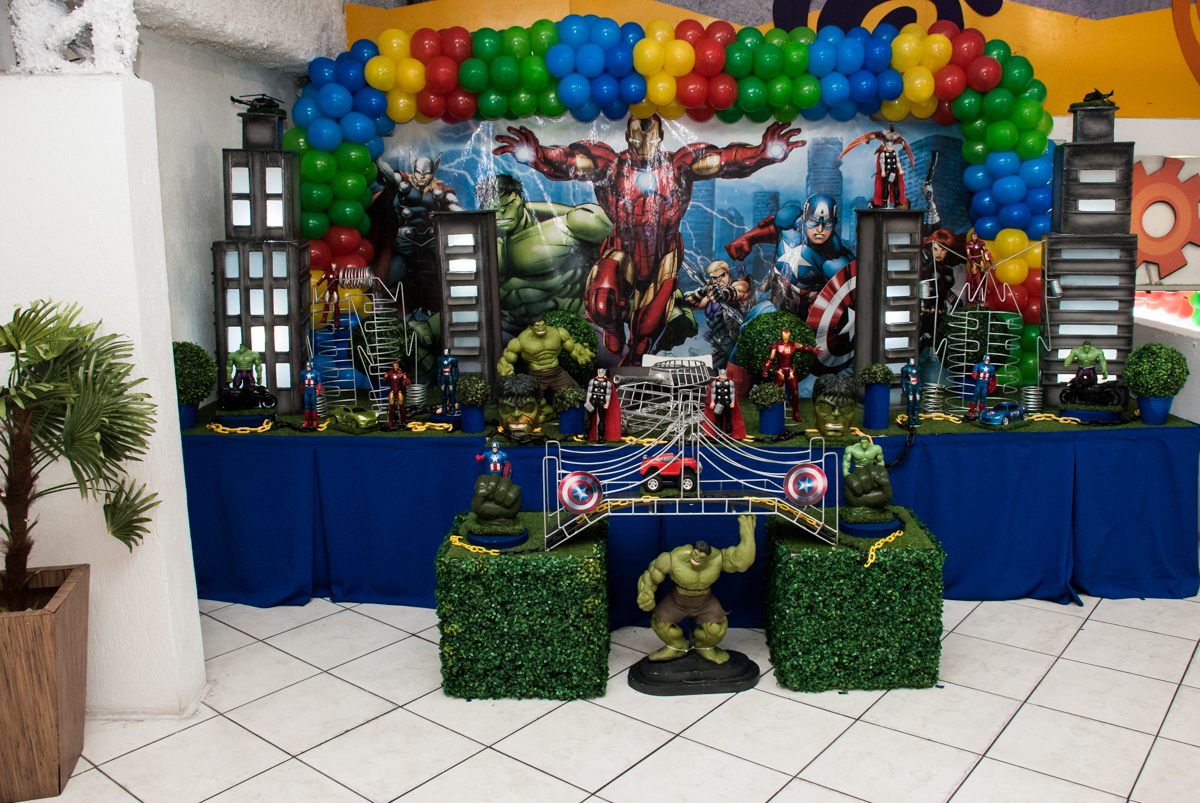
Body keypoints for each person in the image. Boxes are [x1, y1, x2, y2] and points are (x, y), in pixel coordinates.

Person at [494, 116, 805, 365]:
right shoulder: (610, 166)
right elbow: (573, 161)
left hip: (663, 255)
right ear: (627, 136)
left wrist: (760, 154)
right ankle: (614, 327)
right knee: (601, 300)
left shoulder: (679, 166)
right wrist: (540, 156)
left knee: (647, 329)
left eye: (650, 136)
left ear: (660, 138)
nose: (643, 142)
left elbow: (721, 161)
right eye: (636, 136)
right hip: (622, 250)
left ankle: (636, 355)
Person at [635, 514, 756, 664]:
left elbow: (742, 563)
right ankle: (676, 647)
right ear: (692, 550)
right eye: (695, 555)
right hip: (677, 599)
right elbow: (651, 576)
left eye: (702, 557)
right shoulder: (673, 558)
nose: (697, 559)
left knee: (716, 629)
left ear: (708, 556)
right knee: (659, 621)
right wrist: (645, 592)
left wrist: (747, 534)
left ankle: (705, 648)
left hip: (705, 601)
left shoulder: (717, 559)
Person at [497, 319, 595, 419]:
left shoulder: (557, 333)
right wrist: (506, 370)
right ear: (531, 327)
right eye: (537, 326)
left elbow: (573, 348)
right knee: (526, 402)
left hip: (557, 373)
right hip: (536, 376)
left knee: (576, 394)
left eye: (542, 325)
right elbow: (506, 359)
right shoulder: (521, 340)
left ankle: (586, 416)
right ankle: (549, 412)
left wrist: (580, 354)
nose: (540, 328)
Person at [682, 260, 753, 370]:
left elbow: (739, 291)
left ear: (728, 274)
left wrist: (722, 294)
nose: (718, 280)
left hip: (739, 347)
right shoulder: (710, 295)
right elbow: (687, 304)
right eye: (714, 278)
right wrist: (700, 292)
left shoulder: (738, 285)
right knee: (704, 372)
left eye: (722, 275)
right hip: (723, 348)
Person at [762, 328, 821, 423]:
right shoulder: (776, 346)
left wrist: (812, 350)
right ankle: (775, 412)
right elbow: (770, 360)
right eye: (784, 336)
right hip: (780, 370)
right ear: (781, 336)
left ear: (789, 336)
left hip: (790, 370)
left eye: (787, 336)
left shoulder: (793, 344)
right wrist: (765, 370)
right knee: (776, 393)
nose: (786, 338)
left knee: (795, 392)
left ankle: (795, 413)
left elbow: (804, 348)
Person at [584, 367, 619, 443]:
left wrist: (607, 403)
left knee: (602, 419)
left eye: (601, 372)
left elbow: (608, 394)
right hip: (593, 401)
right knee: (589, 418)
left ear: (604, 373)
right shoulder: (592, 381)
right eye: (599, 372)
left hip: (602, 402)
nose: (600, 373)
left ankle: (600, 437)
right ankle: (586, 435)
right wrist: (587, 400)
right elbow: (589, 391)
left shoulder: (608, 383)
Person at [708, 367, 739, 436]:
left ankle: (729, 435)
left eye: (723, 374)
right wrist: (712, 401)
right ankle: (719, 435)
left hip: (727, 402)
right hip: (719, 403)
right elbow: (713, 393)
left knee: (728, 418)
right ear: (719, 374)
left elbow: (732, 393)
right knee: (718, 419)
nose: (722, 375)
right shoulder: (715, 382)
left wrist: (733, 401)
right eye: (721, 374)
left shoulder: (730, 382)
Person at [968, 354, 997, 420]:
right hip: (979, 383)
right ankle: (971, 412)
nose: (987, 361)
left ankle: (981, 413)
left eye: (988, 360)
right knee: (975, 397)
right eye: (986, 360)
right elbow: (974, 372)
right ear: (984, 359)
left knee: (983, 399)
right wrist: (974, 374)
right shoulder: (978, 365)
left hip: (985, 384)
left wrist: (991, 384)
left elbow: (991, 378)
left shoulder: (991, 367)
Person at [384, 361, 411, 429]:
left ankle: (403, 421)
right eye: (394, 366)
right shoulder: (389, 373)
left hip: (399, 390)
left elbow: (406, 380)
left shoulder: (402, 373)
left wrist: (406, 381)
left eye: (396, 365)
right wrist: (385, 377)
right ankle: (391, 422)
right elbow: (384, 380)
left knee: (401, 406)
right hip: (392, 390)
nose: (395, 367)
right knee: (391, 406)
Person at [899, 356, 922, 428]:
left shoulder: (917, 368)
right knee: (910, 402)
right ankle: (910, 418)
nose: (912, 361)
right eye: (911, 360)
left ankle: (916, 417)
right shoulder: (905, 369)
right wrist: (904, 387)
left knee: (917, 402)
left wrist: (920, 385)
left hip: (916, 386)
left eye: (913, 360)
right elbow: (902, 379)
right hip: (909, 386)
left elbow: (919, 377)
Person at [436, 348, 458, 415]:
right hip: (443, 376)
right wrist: (439, 377)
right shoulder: (440, 359)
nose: (445, 352)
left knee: (451, 393)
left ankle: (453, 408)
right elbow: (439, 369)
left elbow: (456, 369)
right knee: (443, 393)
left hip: (450, 376)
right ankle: (444, 408)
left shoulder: (453, 358)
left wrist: (456, 377)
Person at [300, 360, 321, 429]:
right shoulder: (303, 373)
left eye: (309, 366)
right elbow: (302, 383)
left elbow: (319, 382)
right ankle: (307, 421)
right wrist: (302, 390)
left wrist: (318, 389)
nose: (307, 368)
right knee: (306, 406)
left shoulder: (316, 373)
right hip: (306, 391)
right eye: (307, 366)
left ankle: (314, 421)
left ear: (311, 366)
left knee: (313, 406)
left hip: (312, 391)